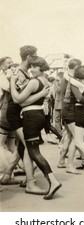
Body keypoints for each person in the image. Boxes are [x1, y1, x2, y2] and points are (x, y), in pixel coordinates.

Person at [10, 56, 62, 199]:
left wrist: (12, 82)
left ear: (41, 68)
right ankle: (30, 178)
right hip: (39, 115)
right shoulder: (45, 81)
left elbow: (18, 100)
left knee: (33, 151)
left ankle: (53, 180)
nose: (31, 69)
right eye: (30, 66)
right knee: (25, 148)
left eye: (34, 67)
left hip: (31, 117)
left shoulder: (34, 82)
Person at [1, 46, 48, 195]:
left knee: (21, 145)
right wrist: (42, 92)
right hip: (14, 114)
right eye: (35, 56)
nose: (36, 58)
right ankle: (30, 183)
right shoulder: (17, 73)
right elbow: (19, 99)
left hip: (18, 113)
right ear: (28, 57)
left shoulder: (23, 73)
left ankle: (7, 175)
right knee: (28, 147)